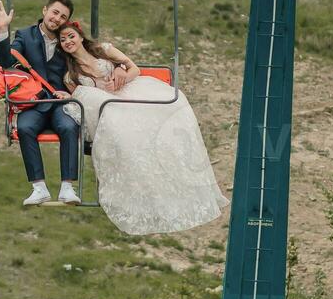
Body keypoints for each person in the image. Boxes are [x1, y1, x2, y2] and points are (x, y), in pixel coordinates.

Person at [58, 21, 227, 235]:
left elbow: (134, 68)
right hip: (105, 106)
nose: (68, 42)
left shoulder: (103, 50)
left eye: (71, 36)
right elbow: (79, 97)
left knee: (170, 107)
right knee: (99, 105)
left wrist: (122, 75)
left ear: (80, 36)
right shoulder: (70, 73)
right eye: (63, 40)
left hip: (128, 92)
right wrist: (70, 96)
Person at [0, 0, 82, 206]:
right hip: (36, 102)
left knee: (69, 127)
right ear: (45, 11)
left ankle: (67, 187)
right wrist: (2, 30)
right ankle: (39, 187)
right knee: (25, 127)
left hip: (60, 102)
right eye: (55, 12)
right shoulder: (25, 35)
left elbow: (84, 58)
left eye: (63, 17)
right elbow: (7, 62)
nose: (57, 19)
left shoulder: (66, 40)